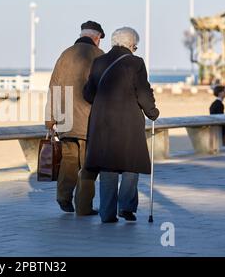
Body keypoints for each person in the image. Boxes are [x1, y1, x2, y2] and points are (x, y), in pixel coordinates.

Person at [80, 27, 159, 223]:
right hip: (128, 123)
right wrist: (152, 112)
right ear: (132, 44)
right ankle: (126, 207)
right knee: (131, 164)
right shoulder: (136, 63)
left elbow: (89, 93)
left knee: (108, 167)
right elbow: (143, 92)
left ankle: (106, 213)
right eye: (136, 46)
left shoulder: (99, 62)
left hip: (103, 123)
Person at [45, 21, 105, 215]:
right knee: (88, 165)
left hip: (65, 120)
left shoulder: (65, 54)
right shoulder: (99, 56)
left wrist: (50, 118)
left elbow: (53, 86)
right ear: (97, 38)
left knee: (68, 161)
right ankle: (84, 206)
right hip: (89, 122)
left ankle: (63, 196)